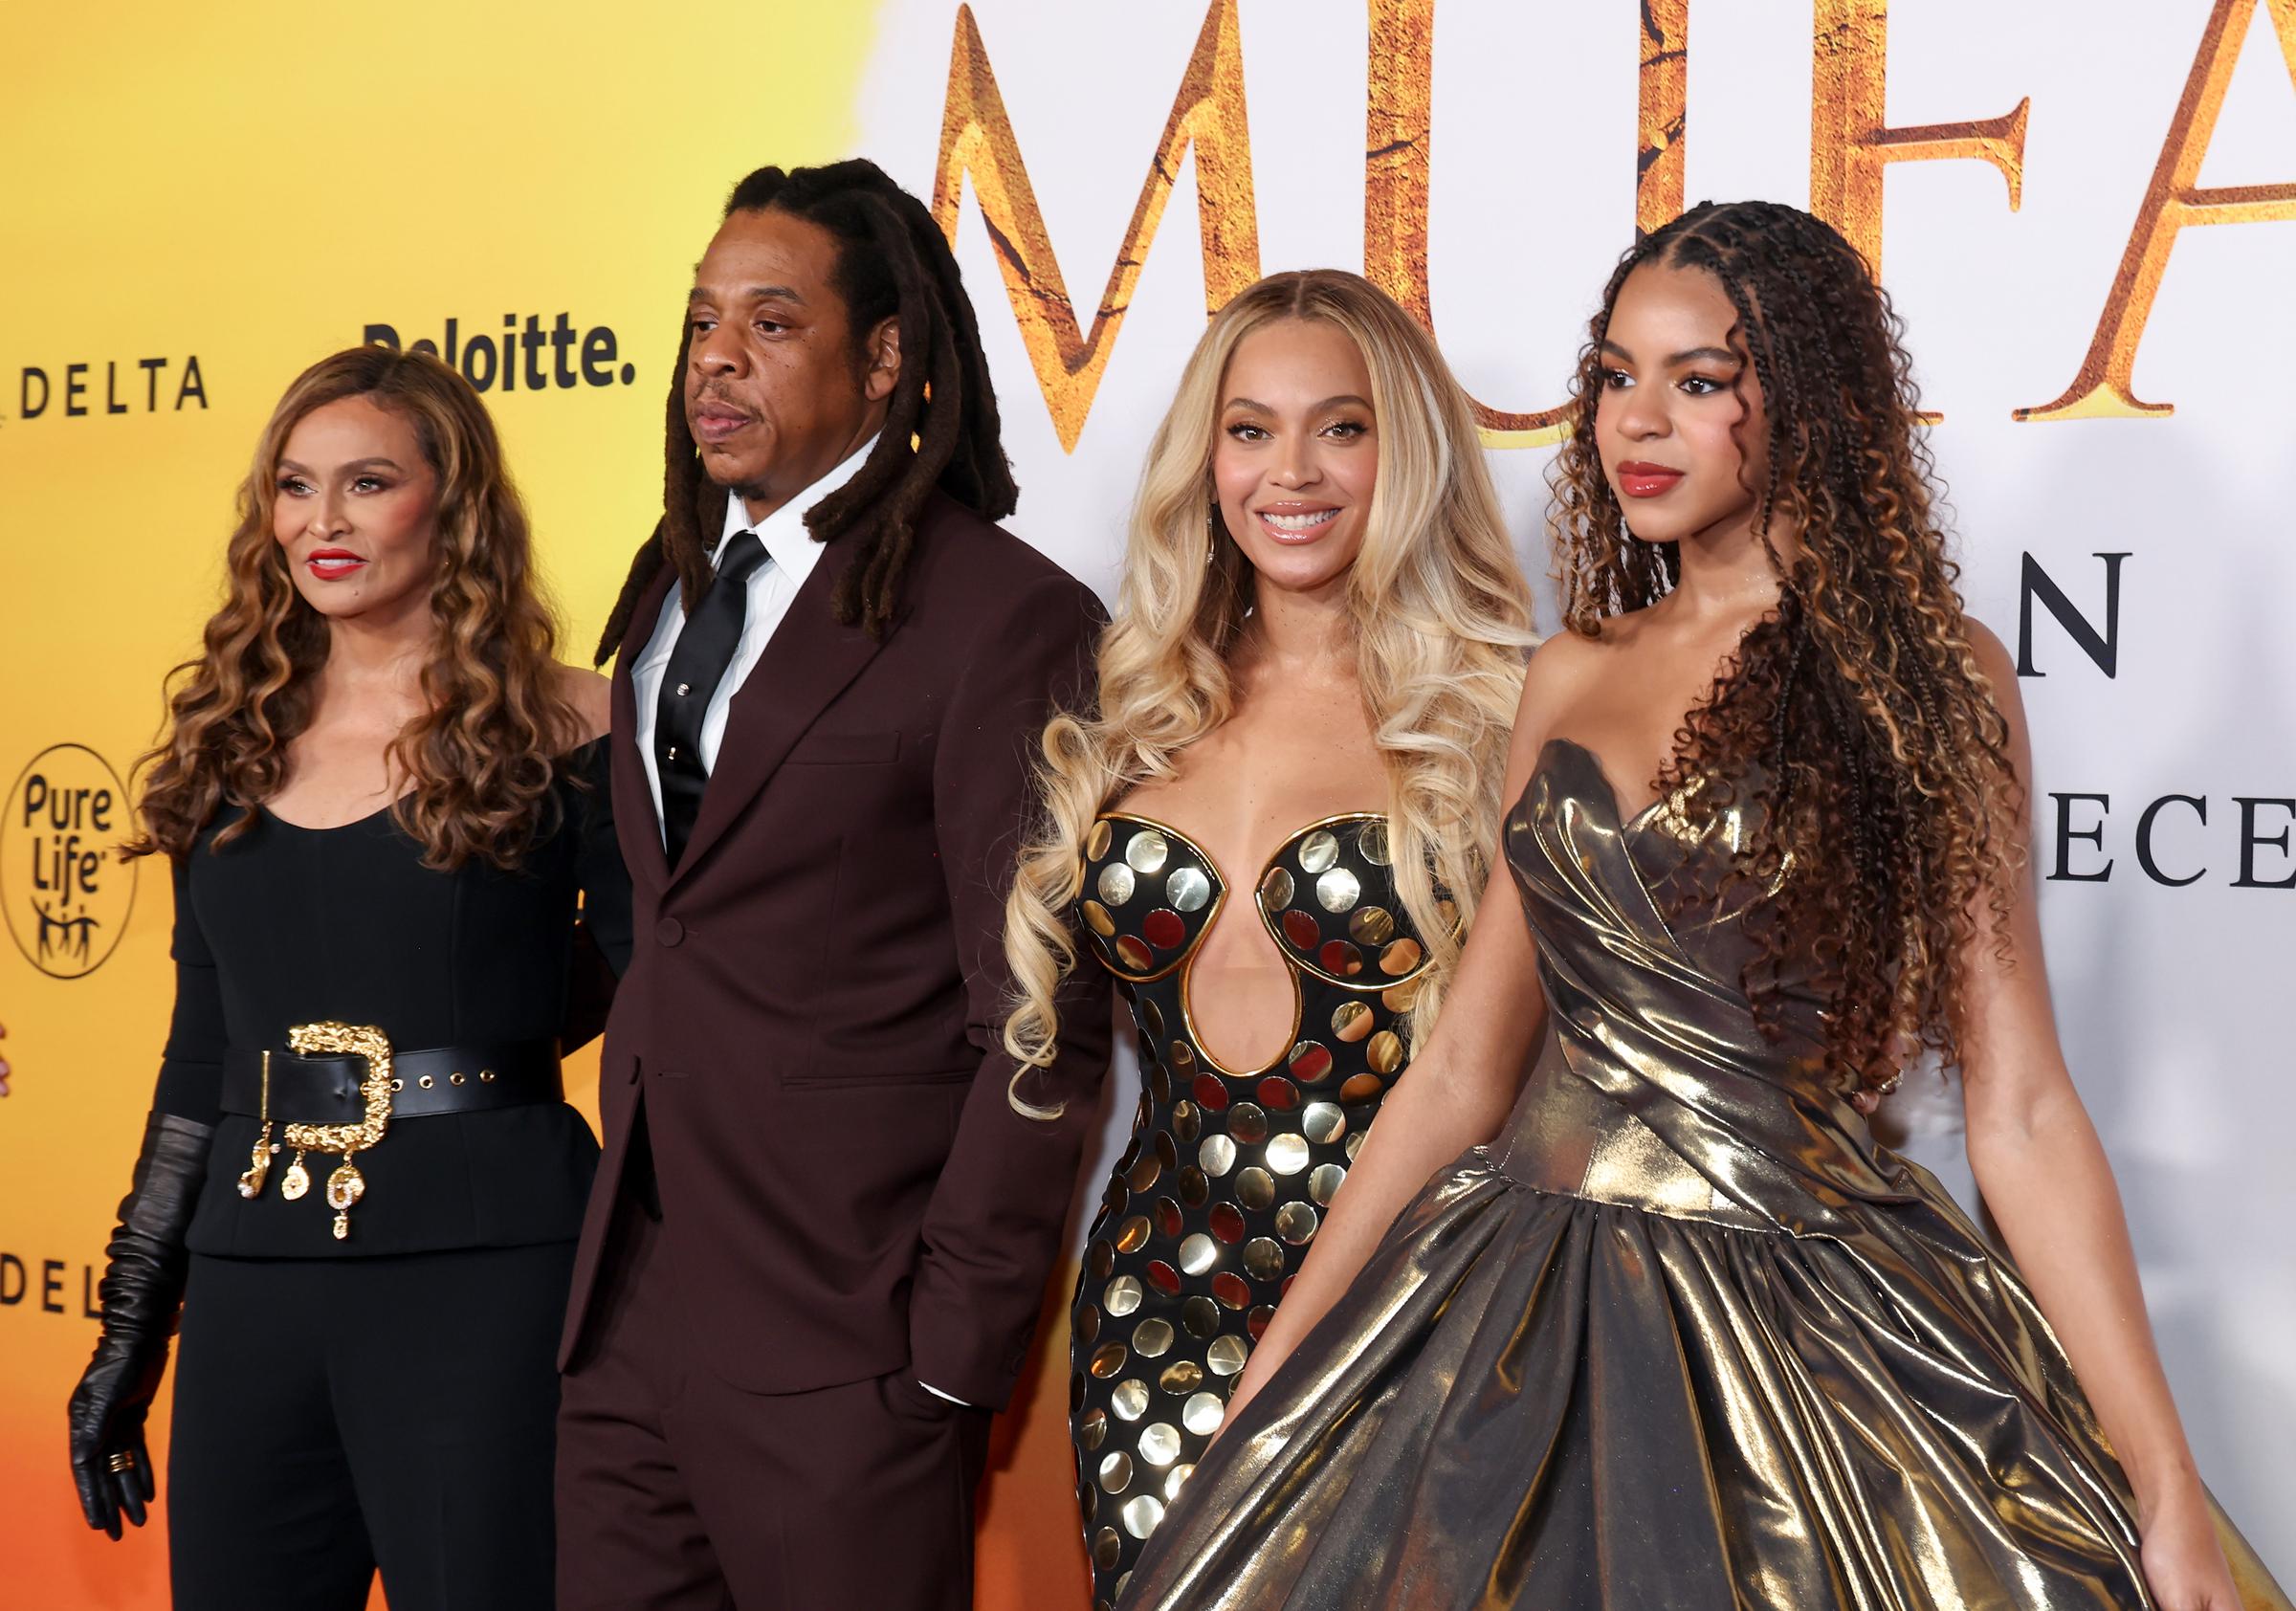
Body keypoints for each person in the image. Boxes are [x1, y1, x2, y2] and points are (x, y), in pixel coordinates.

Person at [1115, 203, 2290, 1609]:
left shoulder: (1930, 679)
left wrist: (2160, 1483)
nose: (1637, 424)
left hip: (1806, 1329)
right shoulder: (1570, 670)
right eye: (1615, 378)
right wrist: (1276, 1388)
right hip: (1515, 1314)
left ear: (1808, 398)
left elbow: (2021, 1106)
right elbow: (1458, 1076)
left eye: (1698, 381)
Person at [553, 158, 1112, 1611]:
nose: (717, 360)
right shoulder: (673, 588)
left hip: (848, 1344)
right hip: (629, 1323)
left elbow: (1041, 1019)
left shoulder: (1004, 617)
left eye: (773, 323)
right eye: (699, 324)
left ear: (884, 360)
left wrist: (945, 1356)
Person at [998, 268, 1534, 1607]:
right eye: (1251, 429)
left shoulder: (1502, 713)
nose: (1289, 471)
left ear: (1403, 451)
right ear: (1208, 456)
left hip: (1425, 1319)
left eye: (1340, 427)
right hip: (1158, 1319)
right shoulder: (1136, 709)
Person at [66, 345, 626, 1611]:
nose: (321, 522)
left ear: (454, 503)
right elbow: (200, 1065)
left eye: (366, 483)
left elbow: (664, 1014)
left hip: (490, 1275)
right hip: (253, 1283)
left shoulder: (574, 729)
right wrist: (128, 1331)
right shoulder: (225, 745)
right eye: (294, 486)